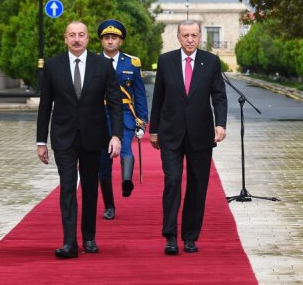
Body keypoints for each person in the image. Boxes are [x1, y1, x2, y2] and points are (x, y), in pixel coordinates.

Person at [36, 21, 122, 258]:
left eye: (81, 35)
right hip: (63, 137)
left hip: (94, 137)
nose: (76, 39)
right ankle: (69, 242)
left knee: (91, 187)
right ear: (65, 39)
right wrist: (41, 141)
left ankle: (89, 237)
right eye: (72, 35)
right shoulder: (54, 66)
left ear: (88, 39)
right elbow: (45, 106)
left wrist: (116, 135)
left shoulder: (103, 66)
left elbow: (115, 103)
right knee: (67, 187)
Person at [149, 20, 228, 255]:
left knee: (197, 185)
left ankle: (190, 236)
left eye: (194, 35)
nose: (190, 40)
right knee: (172, 181)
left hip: (201, 135)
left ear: (200, 36)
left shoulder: (211, 62)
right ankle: (170, 236)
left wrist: (220, 124)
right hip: (171, 134)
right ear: (178, 37)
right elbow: (158, 98)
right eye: (186, 35)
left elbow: (219, 96)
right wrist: (154, 130)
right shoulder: (166, 61)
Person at [96, 19, 149, 221]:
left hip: (125, 112)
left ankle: (127, 180)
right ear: (102, 41)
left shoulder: (132, 63)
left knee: (125, 146)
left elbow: (140, 94)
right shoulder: (93, 61)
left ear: (121, 41)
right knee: (103, 162)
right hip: (100, 114)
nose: (110, 41)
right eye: (107, 38)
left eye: (114, 38)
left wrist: (142, 121)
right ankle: (109, 205)